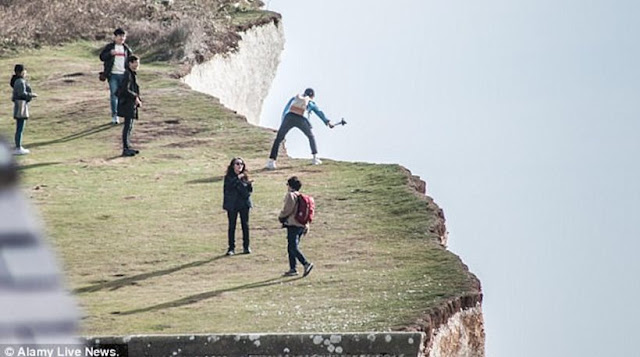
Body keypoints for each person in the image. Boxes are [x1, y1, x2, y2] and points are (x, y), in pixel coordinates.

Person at [266, 88, 334, 169]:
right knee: (310, 136)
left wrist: (283, 123)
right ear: (312, 96)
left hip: (289, 117)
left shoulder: (295, 98)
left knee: (278, 139)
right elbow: (319, 112)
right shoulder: (310, 102)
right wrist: (327, 122)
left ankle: (271, 162)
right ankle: (315, 158)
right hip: (301, 119)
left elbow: (286, 110)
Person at [278, 176, 314, 277]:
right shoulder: (302, 196)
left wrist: (281, 217)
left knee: (293, 247)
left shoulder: (291, 195)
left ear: (290, 185)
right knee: (291, 247)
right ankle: (292, 268)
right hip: (302, 225)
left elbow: (287, 209)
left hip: (293, 224)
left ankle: (305, 263)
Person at [99, 28, 133, 124]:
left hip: (124, 75)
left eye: (123, 36)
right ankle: (115, 116)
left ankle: (126, 115)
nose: (122, 38)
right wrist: (110, 54)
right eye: (120, 36)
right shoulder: (110, 47)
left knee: (125, 96)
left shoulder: (126, 49)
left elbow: (131, 60)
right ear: (115, 37)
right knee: (114, 96)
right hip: (113, 75)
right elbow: (101, 57)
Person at [222, 157, 253, 256]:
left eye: (241, 164)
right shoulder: (229, 177)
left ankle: (246, 246)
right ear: (233, 166)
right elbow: (229, 188)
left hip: (244, 204)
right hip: (232, 205)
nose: (240, 166)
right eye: (237, 164)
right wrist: (237, 179)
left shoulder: (245, 176)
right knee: (232, 226)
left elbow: (248, 192)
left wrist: (248, 184)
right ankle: (231, 248)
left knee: (245, 225)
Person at [117, 55, 142, 157]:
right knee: (127, 126)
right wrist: (135, 97)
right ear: (130, 63)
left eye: (138, 63)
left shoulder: (131, 74)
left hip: (130, 103)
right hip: (127, 103)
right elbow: (125, 89)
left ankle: (128, 146)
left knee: (129, 126)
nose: (137, 65)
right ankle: (125, 148)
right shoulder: (127, 74)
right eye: (135, 63)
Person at [10, 64, 37, 156]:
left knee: (19, 127)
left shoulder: (16, 81)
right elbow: (22, 94)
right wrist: (31, 95)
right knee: (20, 127)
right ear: (20, 72)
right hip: (21, 105)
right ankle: (18, 147)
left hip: (18, 105)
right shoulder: (20, 81)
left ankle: (18, 146)